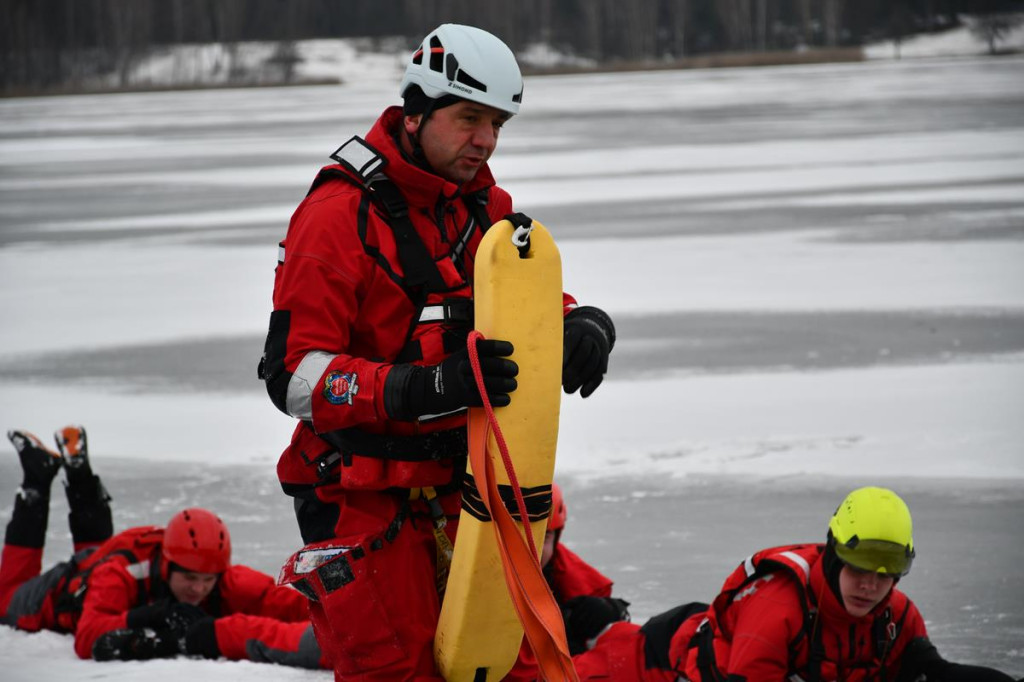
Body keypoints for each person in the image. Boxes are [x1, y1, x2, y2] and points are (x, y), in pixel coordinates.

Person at [259, 23, 616, 680]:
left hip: (468, 489)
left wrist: (576, 324)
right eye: (469, 119)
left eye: (497, 124)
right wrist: (426, 388)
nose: (485, 140)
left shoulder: (481, 207)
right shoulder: (337, 216)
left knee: (512, 667)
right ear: (416, 111)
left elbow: (516, 295)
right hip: (359, 496)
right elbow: (293, 377)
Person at [571, 486, 1019, 682]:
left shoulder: (895, 617)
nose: (870, 586)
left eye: (885, 576)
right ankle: (584, 619)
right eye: (858, 568)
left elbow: (937, 675)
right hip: (650, 662)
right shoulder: (779, 606)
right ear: (832, 554)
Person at [0, 426, 328, 669]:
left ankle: (79, 473)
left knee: (98, 555)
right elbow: (87, 637)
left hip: (100, 565)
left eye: (208, 579)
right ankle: (35, 480)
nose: (199, 588)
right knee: (5, 600)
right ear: (168, 565)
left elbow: (280, 602)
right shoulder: (123, 573)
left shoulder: (223, 578)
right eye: (190, 578)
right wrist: (151, 614)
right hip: (62, 592)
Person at [505, 482, 631, 680]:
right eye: (522, 537)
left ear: (556, 539)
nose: (533, 549)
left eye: (544, 537)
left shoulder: (579, 588)